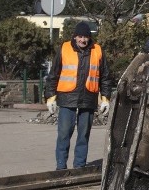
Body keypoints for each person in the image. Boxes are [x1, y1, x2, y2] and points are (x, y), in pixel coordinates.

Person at [45, 21, 111, 170]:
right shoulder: (64, 48)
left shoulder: (98, 50)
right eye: (80, 36)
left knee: (83, 135)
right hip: (67, 97)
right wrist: (50, 96)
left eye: (86, 37)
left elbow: (105, 77)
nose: (83, 40)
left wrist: (105, 98)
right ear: (75, 37)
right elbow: (53, 74)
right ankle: (61, 167)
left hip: (88, 98)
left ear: (89, 37)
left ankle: (79, 166)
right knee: (64, 134)